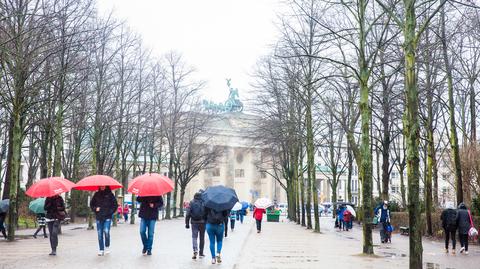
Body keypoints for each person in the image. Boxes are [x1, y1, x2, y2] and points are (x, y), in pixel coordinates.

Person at [90, 186, 117, 256]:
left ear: (106, 186)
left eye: (103, 185)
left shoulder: (110, 195)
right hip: (99, 217)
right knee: (99, 234)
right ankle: (101, 249)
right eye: (101, 185)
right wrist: (95, 209)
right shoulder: (96, 194)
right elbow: (92, 204)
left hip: (107, 217)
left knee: (106, 231)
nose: (102, 187)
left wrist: (110, 211)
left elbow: (115, 205)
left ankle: (107, 246)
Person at [185, 192, 206, 259]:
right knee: (202, 238)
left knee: (194, 237)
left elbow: (188, 214)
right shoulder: (203, 202)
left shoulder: (191, 202)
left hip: (194, 222)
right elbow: (206, 213)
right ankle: (201, 253)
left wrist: (187, 223)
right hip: (202, 223)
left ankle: (195, 250)